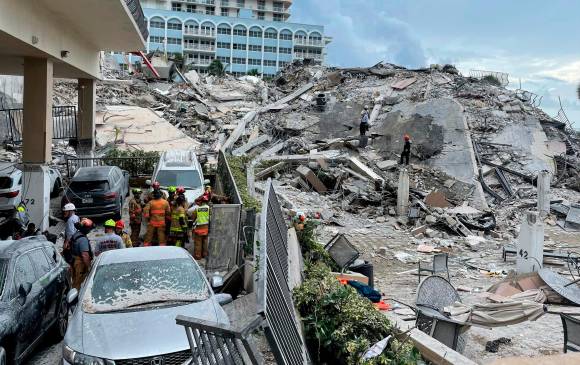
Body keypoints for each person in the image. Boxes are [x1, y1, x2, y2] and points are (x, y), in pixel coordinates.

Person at [70, 218, 94, 290]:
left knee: (75, 280)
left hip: (74, 260)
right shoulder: (83, 239)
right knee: (79, 282)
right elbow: (85, 255)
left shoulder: (76, 234)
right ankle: (76, 298)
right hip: (80, 263)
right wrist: (89, 267)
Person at [190, 195, 210, 260]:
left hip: (198, 228)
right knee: (205, 242)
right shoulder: (209, 208)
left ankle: (198, 256)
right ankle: (204, 255)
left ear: (201, 201)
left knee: (198, 243)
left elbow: (193, 218)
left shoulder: (197, 209)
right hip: (206, 228)